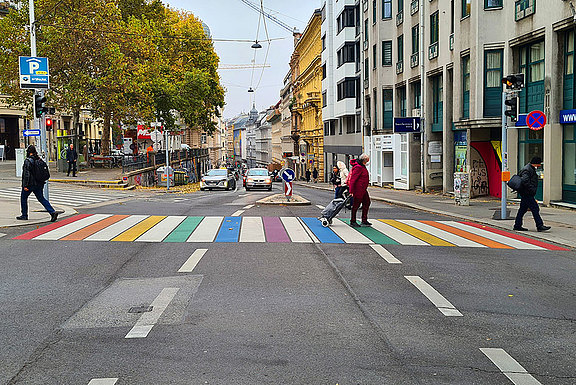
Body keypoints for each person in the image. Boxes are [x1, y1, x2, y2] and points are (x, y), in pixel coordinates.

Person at [17, 145, 58, 222]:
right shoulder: (39, 159)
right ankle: (52, 212)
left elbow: (26, 174)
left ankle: (24, 215)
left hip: (30, 184)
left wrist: (25, 185)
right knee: (41, 198)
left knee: (23, 198)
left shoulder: (28, 161)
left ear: (28, 152)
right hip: (39, 183)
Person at [513, 156, 550, 232]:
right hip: (527, 193)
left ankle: (517, 225)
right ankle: (539, 226)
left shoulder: (529, 168)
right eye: (539, 164)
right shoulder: (527, 169)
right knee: (535, 208)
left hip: (526, 193)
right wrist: (531, 189)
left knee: (522, 210)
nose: (540, 165)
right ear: (536, 163)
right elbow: (525, 181)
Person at [347, 153, 371, 227]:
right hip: (358, 189)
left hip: (363, 189)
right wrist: (351, 191)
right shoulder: (358, 167)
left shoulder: (362, 166)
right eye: (367, 160)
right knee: (356, 205)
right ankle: (353, 221)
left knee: (367, 202)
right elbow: (353, 180)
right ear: (364, 160)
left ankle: (364, 220)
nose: (367, 162)